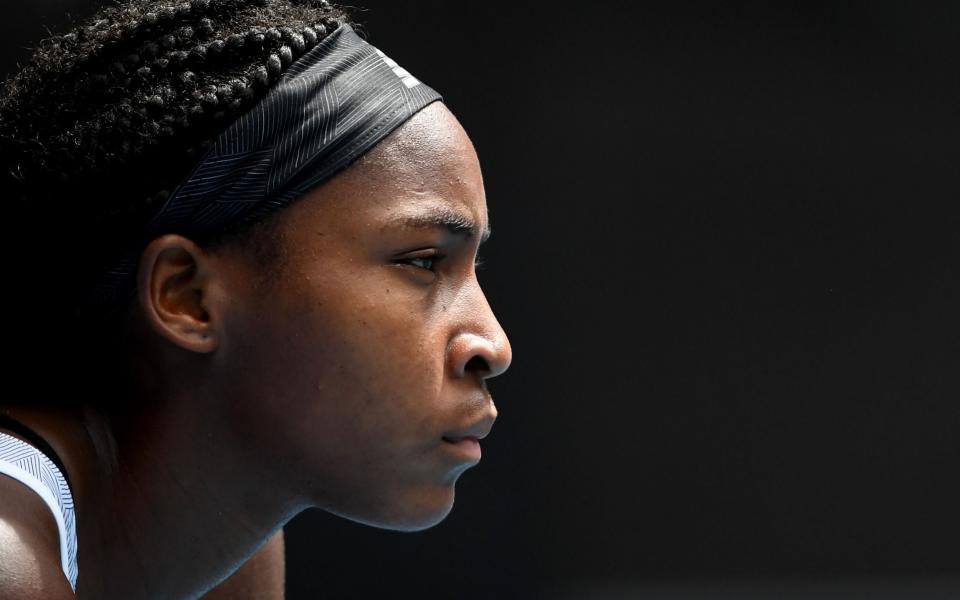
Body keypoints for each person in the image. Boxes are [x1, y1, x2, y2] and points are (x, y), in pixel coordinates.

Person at [0, 0, 513, 597]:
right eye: (422, 262)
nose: (492, 346)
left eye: (474, 268)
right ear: (187, 296)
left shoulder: (228, 539)